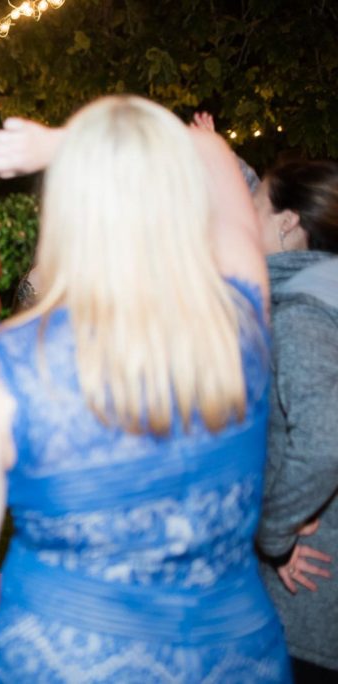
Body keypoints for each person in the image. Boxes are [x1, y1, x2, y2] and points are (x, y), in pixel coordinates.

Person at [0, 97, 290, 682]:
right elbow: (211, 151)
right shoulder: (243, 321)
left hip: (59, 662)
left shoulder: (1, 365)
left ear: (66, 211)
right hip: (233, 661)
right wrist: (67, 141)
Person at [253, 159, 338, 681]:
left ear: (287, 223)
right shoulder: (322, 291)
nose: (246, 215)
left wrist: (274, 532)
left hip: (309, 592)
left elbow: (326, 439)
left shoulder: (302, 312)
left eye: (257, 205)